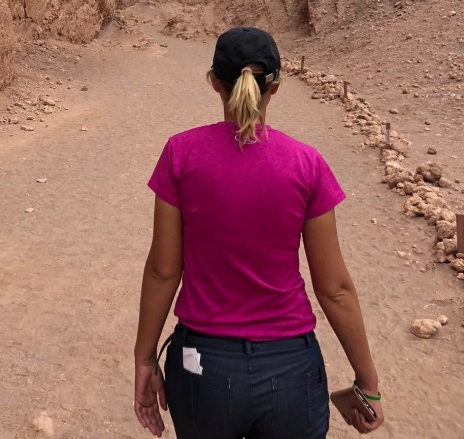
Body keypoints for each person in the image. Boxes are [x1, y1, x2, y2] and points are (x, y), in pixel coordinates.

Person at [133, 27, 384, 438]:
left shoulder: (180, 153)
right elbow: (334, 289)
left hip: (203, 368)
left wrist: (145, 358)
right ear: (276, 87)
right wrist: (367, 381)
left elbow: (163, 272)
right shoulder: (307, 163)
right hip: (291, 369)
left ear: (215, 82)